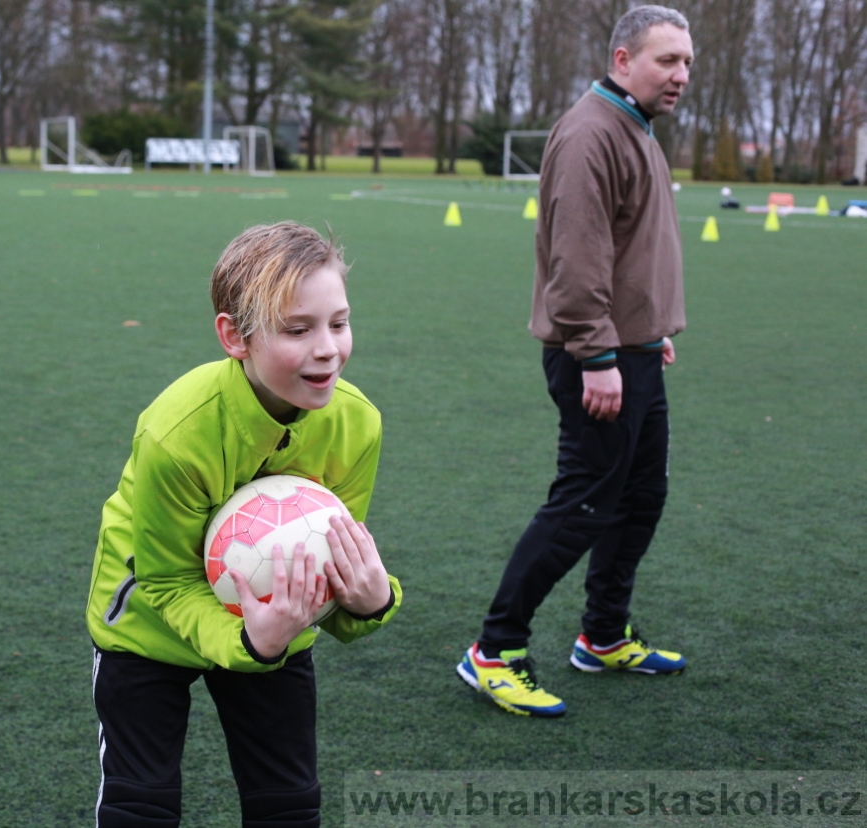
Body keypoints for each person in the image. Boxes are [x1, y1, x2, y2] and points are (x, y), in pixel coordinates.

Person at [86, 221, 402, 826]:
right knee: (140, 804)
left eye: (339, 323)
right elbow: (167, 581)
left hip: (280, 626)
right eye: (298, 329)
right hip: (150, 622)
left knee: (288, 804)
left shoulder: (357, 424)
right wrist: (252, 641)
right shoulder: (177, 433)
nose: (328, 348)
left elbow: (333, 561)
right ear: (236, 337)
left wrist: (370, 602)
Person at [457, 5, 694, 718]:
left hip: (634, 348)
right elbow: (577, 258)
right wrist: (596, 351)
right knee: (584, 504)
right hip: (597, 357)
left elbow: (629, 247)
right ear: (623, 59)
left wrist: (649, 329)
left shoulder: (635, 125)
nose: (681, 75)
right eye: (667, 60)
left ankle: (602, 635)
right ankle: (494, 650)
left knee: (641, 497)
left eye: (687, 62)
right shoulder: (593, 132)